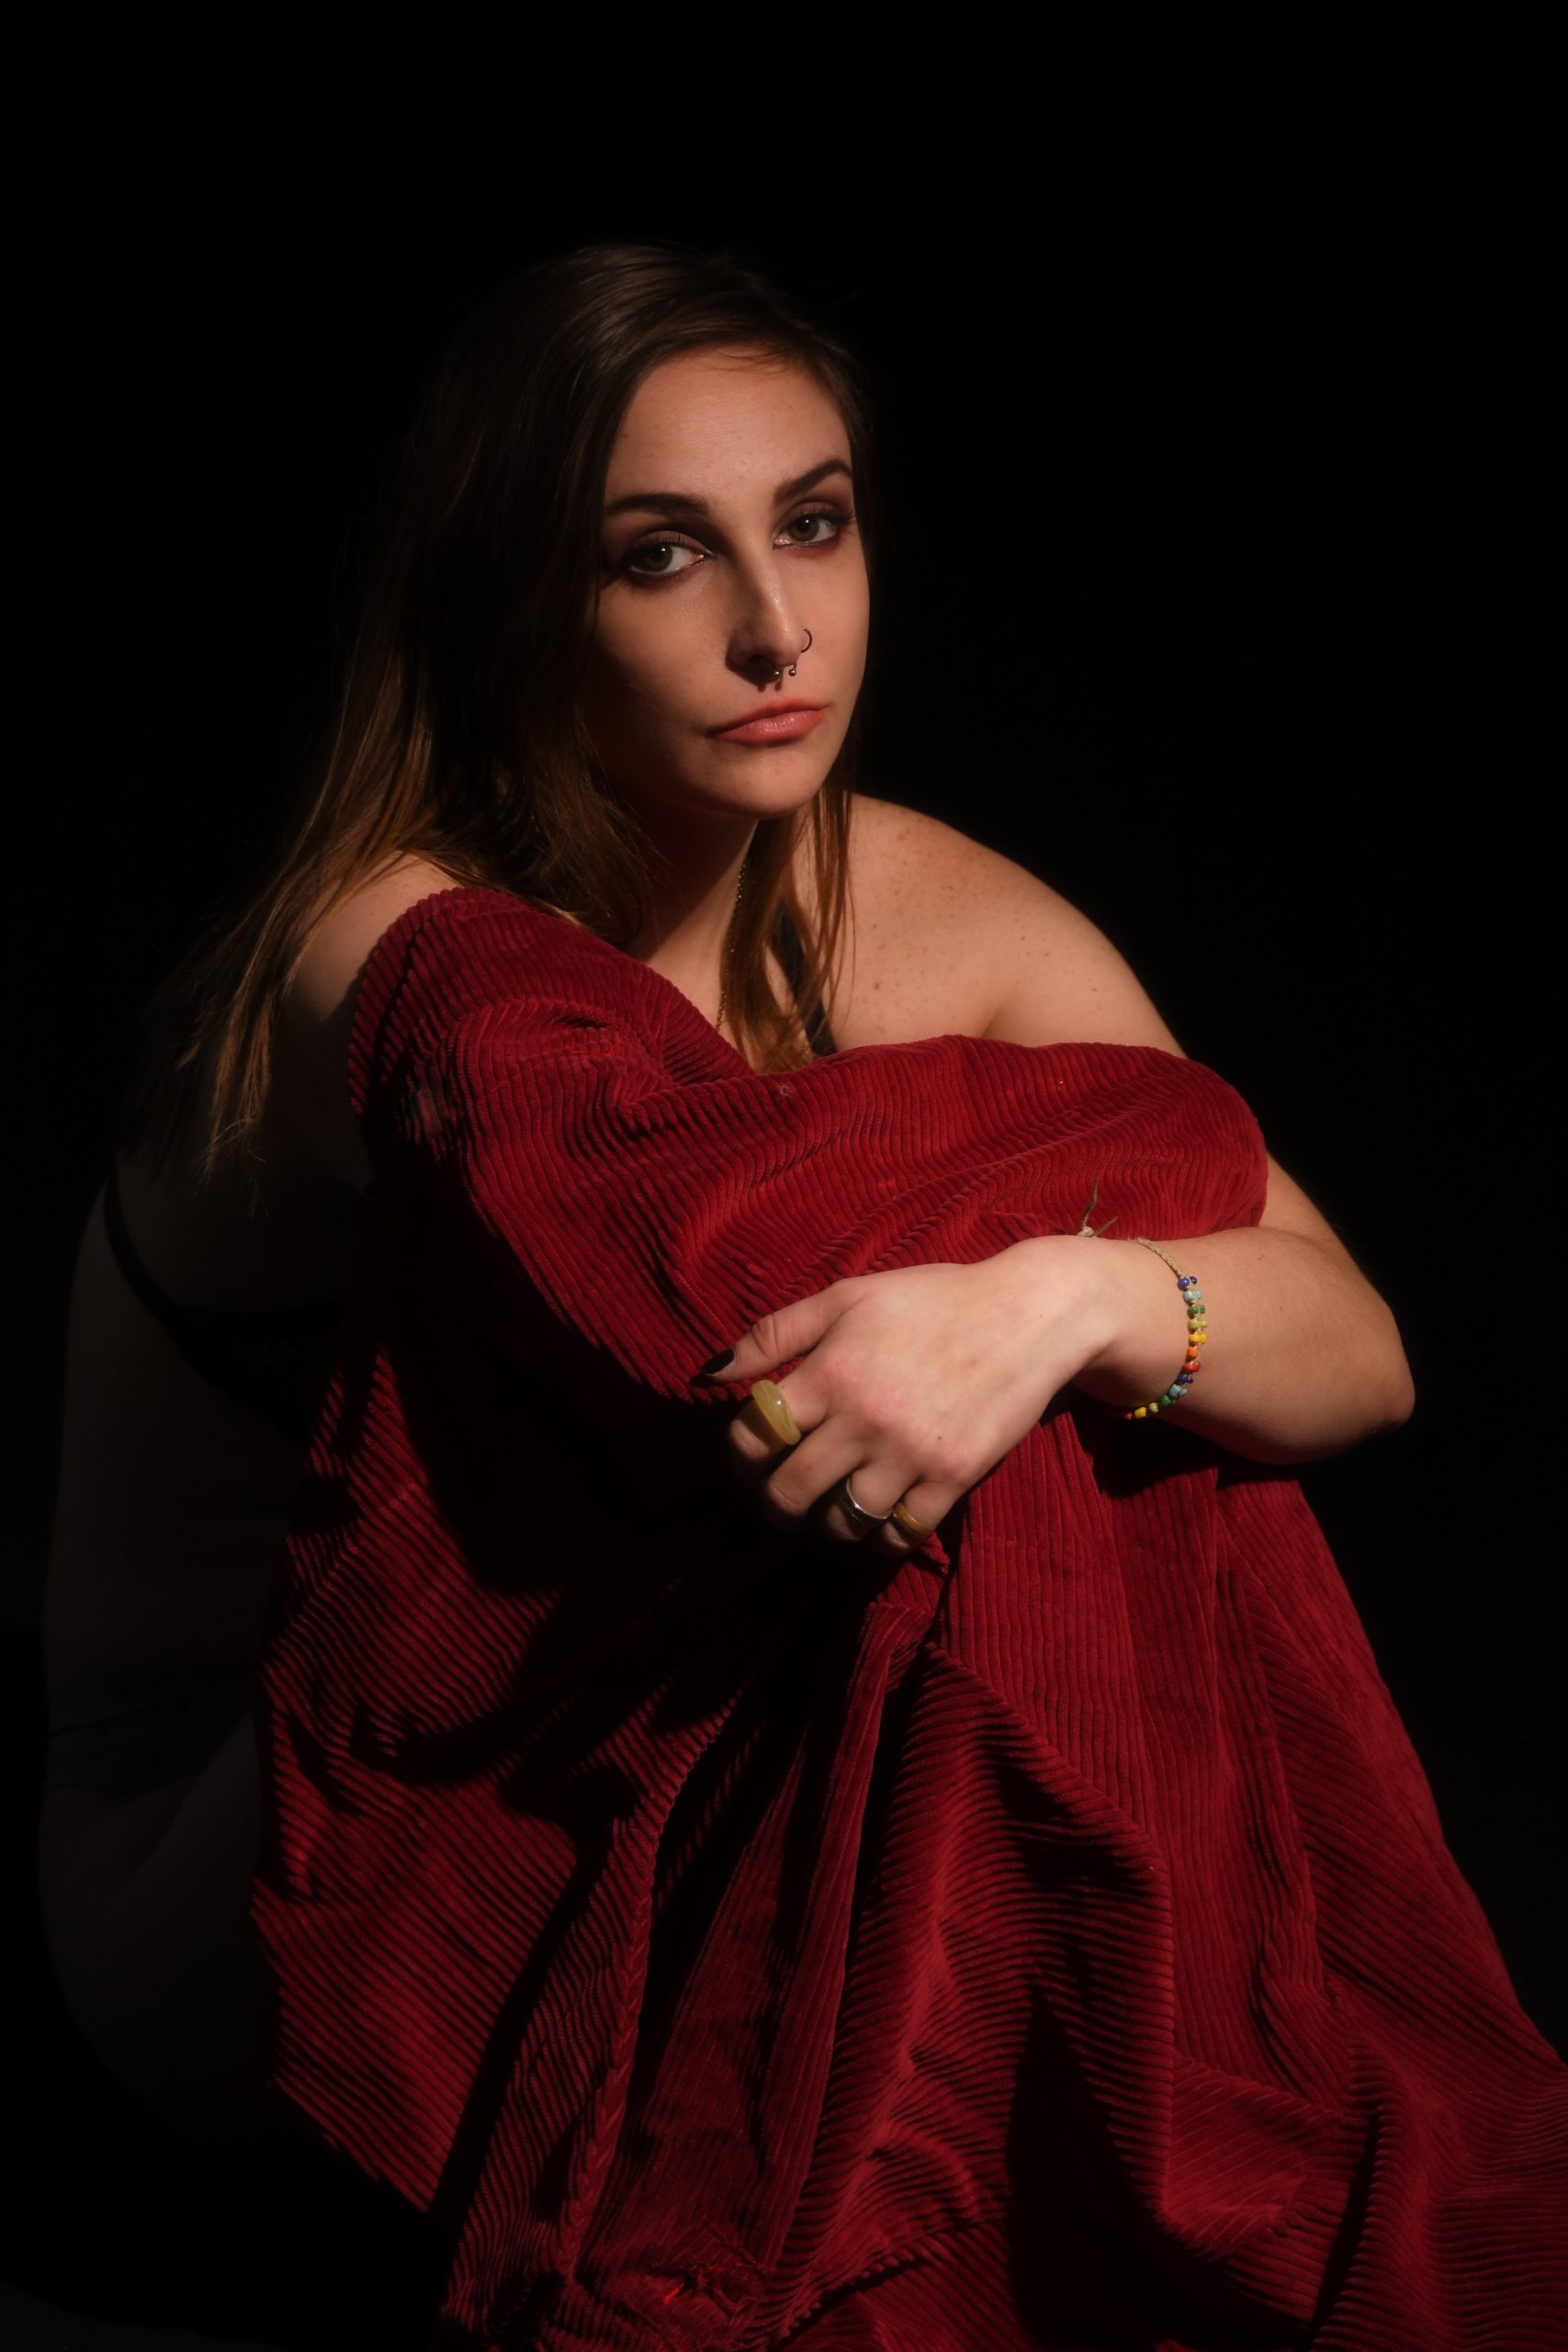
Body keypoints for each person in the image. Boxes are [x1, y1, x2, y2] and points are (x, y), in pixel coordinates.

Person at [38, 243, 1563, 2350]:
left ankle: (1040, 2194)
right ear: (510, 600)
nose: (777, 627)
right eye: (659, 553)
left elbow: (1354, 1349)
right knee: (898, 1420)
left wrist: (1067, 1296)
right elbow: (712, 1324)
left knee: (1032, 1355)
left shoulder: (917, 897)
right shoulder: (388, 943)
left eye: (814, 523)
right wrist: (1082, 1226)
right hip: (265, 1871)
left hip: (636, 1773)